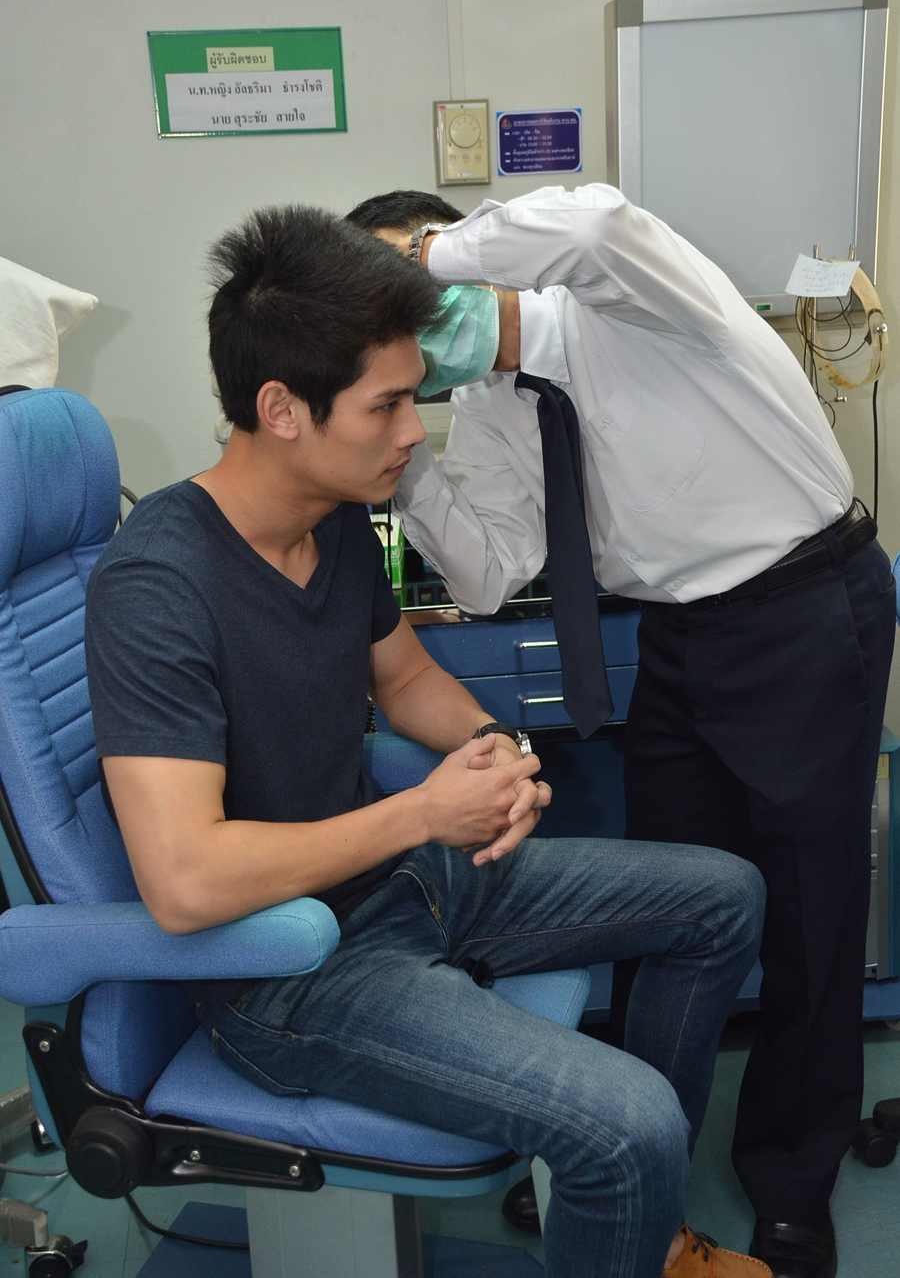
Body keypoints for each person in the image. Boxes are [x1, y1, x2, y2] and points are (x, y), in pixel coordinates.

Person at [84, 204, 769, 1278]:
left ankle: (638, 1227)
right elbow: (183, 881)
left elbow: (403, 679)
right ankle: (630, 1186)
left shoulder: (337, 521)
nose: (415, 431)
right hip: (292, 965)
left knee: (722, 897)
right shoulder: (156, 585)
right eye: (388, 405)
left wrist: (497, 747)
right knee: (628, 1121)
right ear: (281, 409)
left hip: (407, 884)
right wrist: (422, 813)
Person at [347, 184, 897, 1278]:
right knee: (675, 902)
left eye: (402, 292)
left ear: (457, 255)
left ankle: (792, 1174)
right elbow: (492, 567)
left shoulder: (626, 299)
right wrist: (401, 458)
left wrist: (425, 258)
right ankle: (634, 1154)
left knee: (810, 909)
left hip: (801, 606)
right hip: (681, 635)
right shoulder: (494, 399)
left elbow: (596, 223)